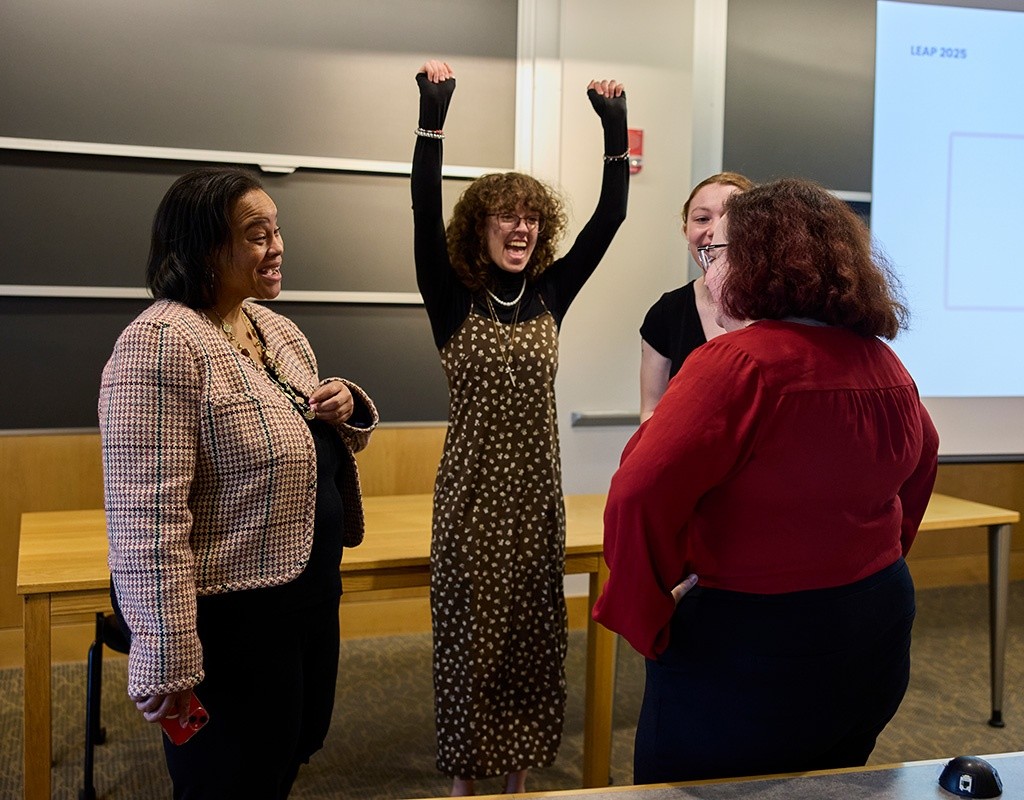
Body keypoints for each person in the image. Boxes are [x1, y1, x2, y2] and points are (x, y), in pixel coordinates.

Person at [593, 177, 939, 784]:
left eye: (718, 251)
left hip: (753, 645)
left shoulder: (736, 364)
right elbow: (922, 463)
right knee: (831, 784)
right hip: (873, 626)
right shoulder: (882, 359)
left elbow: (639, 492)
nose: (710, 266)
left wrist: (643, 611)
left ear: (760, 262)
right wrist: (875, 560)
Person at [99, 166, 378, 799]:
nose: (277, 246)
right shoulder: (160, 344)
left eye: (277, 230)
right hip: (231, 623)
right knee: (229, 783)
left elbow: (298, 442)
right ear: (203, 249)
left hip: (305, 602)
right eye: (257, 235)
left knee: (282, 764)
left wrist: (347, 406)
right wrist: (167, 656)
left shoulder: (272, 328)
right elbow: (148, 522)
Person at [412, 60, 629, 796]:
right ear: (481, 227)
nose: (522, 227)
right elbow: (420, 209)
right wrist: (431, 121)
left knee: (533, 646)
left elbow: (612, 219)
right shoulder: (451, 296)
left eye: (532, 218)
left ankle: (515, 780)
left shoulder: (549, 294)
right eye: (507, 216)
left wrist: (612, 130)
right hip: (470, 506)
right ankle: (467, 783)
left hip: (536, 505)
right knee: (473, 649)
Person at [639, 172, 753, 422]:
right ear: (686, 230)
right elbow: (651, 411)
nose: (715, 231)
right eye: (702, 219)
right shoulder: (667, 312)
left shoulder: (780, 306)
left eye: (729, 218)